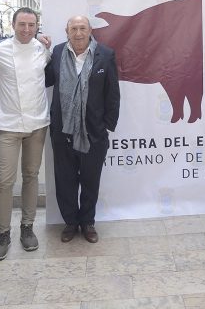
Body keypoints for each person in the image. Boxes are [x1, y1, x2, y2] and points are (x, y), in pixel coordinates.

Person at [45, 15, 120, 244]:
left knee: (90, 179)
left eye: (82, 28)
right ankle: (70, 222)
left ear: (90, 31)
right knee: (65, 179)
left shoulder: (105, 55)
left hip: (93, 133)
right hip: (62, 130)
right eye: (74, 28)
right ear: (66, 31)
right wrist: (39, 50)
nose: (78, 33)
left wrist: (106, 126)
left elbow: (113, 94)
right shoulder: (57, 53)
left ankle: (87, 222)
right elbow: (46, 80)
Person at [0, 8, 51, 261]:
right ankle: (3, 234)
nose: (26, 29)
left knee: (31, 176)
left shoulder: (42, 49)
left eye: (31, 24)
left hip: (37, 124)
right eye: (21, 24)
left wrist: (46, 41)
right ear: (12, 25)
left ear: (37, 26)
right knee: (5, 181)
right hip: (10, 126)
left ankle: (27, 227)